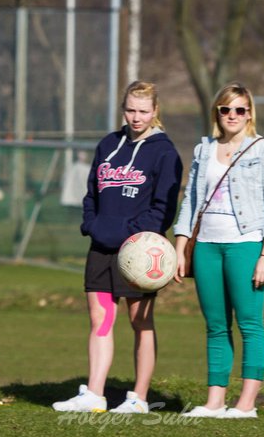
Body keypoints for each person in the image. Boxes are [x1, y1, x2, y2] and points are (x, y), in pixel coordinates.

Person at [53, 81, 181, 415]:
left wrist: (131, 233)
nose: (136, 117)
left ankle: (138, 398)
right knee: (100, 319)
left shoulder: (164, 152)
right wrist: (91, 225)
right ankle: (94, 394)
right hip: (101, 247)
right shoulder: (110, 144)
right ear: (122, 109)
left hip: (139, 252)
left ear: (155, 112)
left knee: (140, 321)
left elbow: (162, 208)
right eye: (130, 110)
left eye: (143, 111)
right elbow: (91, 192)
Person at [174, 83, 264, 419]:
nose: (232, 116)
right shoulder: (204, 149)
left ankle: (246, 404)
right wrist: (180, 247)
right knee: (216, 325)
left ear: (249, 113)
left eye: (239, 109)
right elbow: (191, 200)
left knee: (250, 323)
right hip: (207, 245)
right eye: (226, 109)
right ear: (217, 114)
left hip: (246, 244)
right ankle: (214, 401)